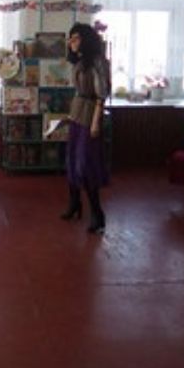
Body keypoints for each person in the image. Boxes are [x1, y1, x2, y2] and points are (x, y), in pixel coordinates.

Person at [61, 23, 110, 234]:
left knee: (86, 164)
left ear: (86, 40)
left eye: (76, 38)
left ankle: (98, 214)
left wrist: (96, 122)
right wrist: (70, 115)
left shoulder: (97, 61)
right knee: (72, 160)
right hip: (78, 112)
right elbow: (78, 92)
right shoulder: (79, 61)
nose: (71, 42)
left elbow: (101, 95)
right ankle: (74, 204)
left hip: (90, 114)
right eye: (70, 38)